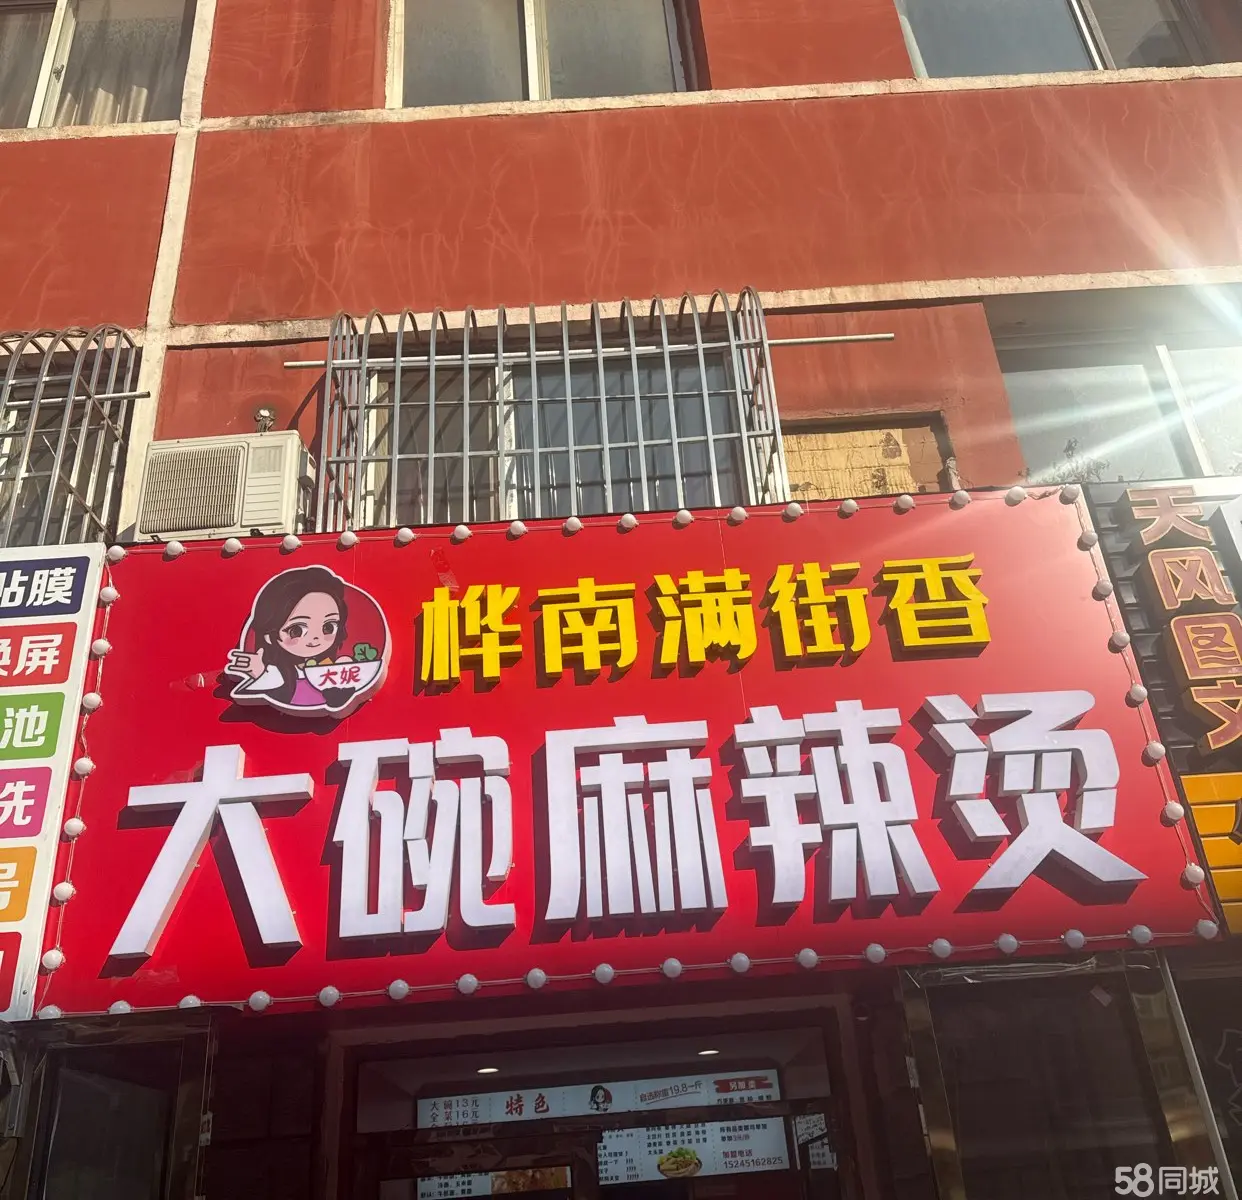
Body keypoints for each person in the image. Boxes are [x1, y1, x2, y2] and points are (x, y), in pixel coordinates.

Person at [228, 566, 355, 713]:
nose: (316, 637)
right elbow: (270, 690)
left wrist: (346, 676)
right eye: (297, 630)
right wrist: (260, 674)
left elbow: (340, 698)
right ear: (269, 635)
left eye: (328, 627)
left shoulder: (331, 667)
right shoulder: (276, 675)